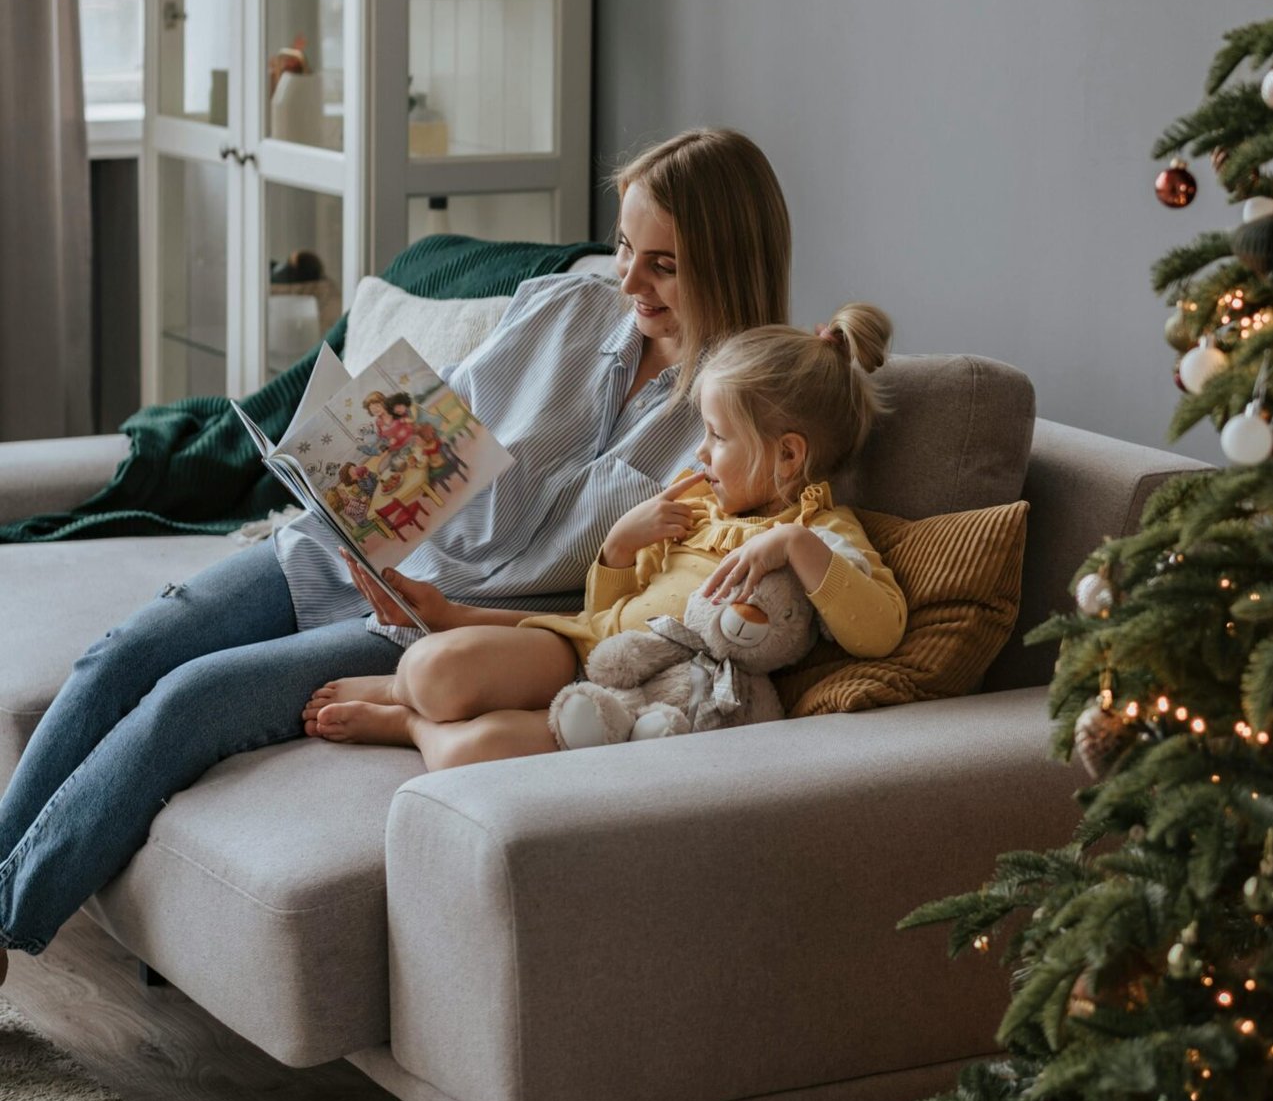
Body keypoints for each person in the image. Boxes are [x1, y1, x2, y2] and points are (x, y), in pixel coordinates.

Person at [0, 129, 791, 979]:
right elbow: (432, 420)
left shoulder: (735, 421)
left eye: (662, 266)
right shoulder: (566, 309)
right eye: (627, 248)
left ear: (729, 263)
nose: (628, 280)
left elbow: (628, 613)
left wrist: (449, 612)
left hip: (434, 628)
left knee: (189, 699)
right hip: (347, 550)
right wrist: (342, 467)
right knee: (121, 657)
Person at [304, 307, 906, 765]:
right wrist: (619, 546)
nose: (701, 451)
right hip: (584, 653)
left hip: (652, 703)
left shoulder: (823, 533)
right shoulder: (693, 506)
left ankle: (408, 723)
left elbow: (880, 630)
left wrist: (795, 546)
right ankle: (401, 688)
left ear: (789, 455)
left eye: (718, 437)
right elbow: (604, 615)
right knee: (433, 668)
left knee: (466, 754)